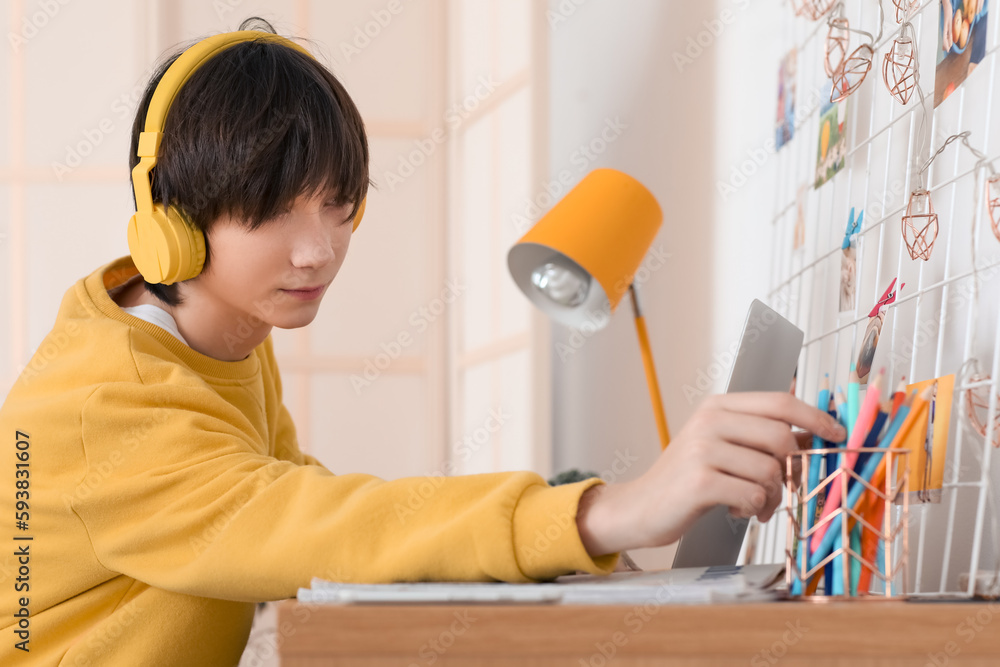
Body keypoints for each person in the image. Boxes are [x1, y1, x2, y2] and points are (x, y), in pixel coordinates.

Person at [0, 17, 846, 666]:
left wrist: (548, 549)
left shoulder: (221, 339)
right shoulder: (98, 404)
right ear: (170, 225)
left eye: (338, 205)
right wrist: (599, 509)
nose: (318, 249)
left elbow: (301, 506)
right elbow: (310, 526)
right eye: (273, 211)